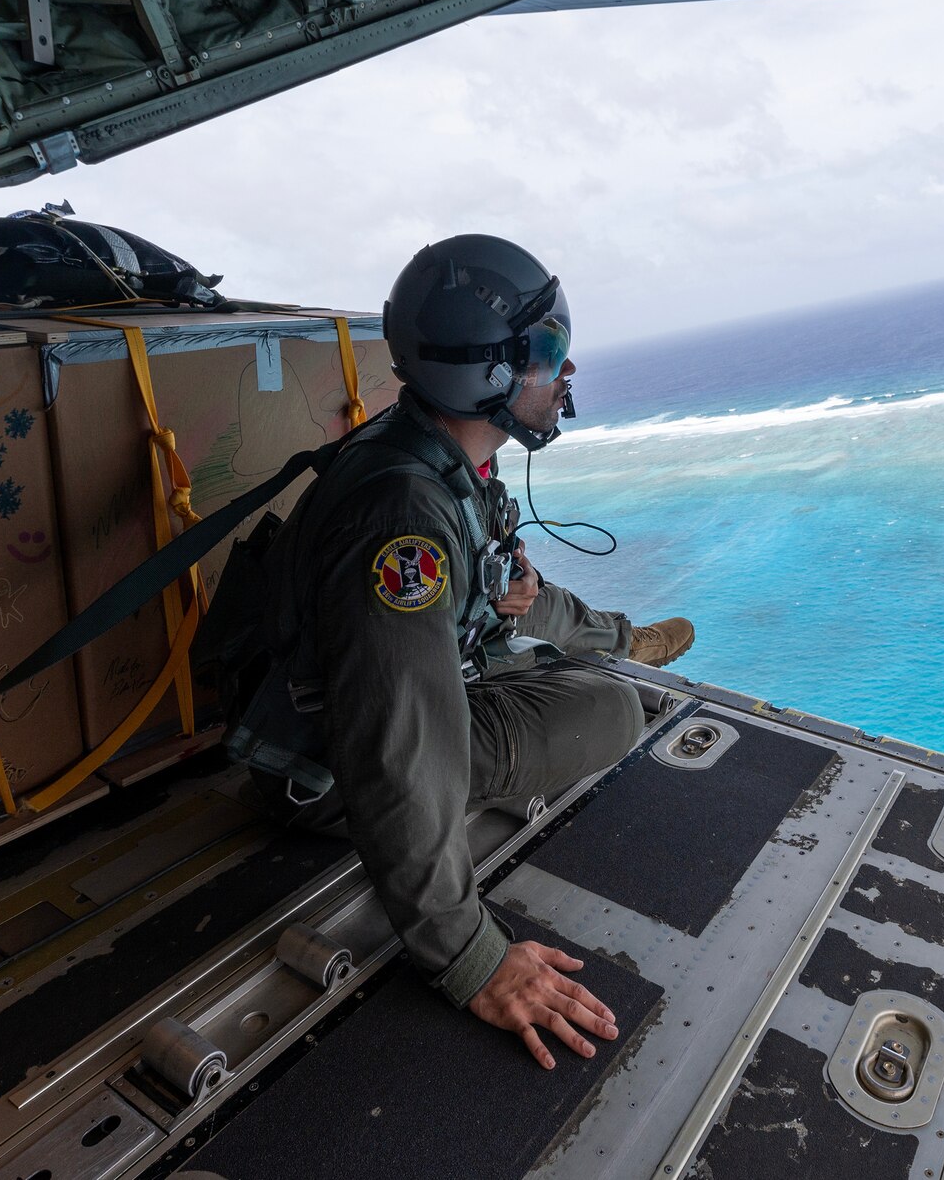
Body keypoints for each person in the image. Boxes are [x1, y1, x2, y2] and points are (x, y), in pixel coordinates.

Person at [252, 234, 692, 1070]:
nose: (567, 374)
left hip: (391, 680)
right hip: (322, 768)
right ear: (487, 372)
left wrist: (499, 598)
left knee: (570, 652)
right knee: (607, 708)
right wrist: (474, 958)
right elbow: (395, 750)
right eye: (551, 352)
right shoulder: (406, 521)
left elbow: (492, 583)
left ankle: (626, 638)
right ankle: (616, 656)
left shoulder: (434, 451)